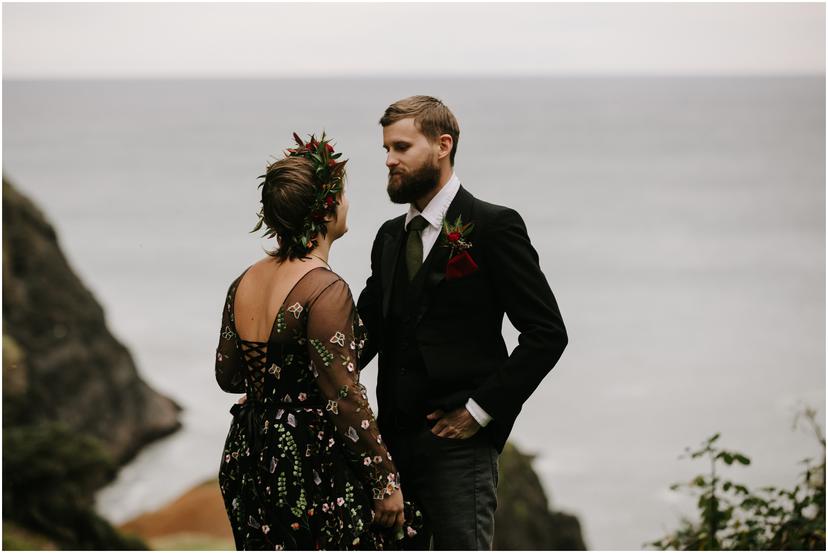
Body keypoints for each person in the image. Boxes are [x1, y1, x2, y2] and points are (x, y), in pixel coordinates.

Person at [357, 96, 568, 550]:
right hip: (391, 449)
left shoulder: (493, 226)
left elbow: (547, 333)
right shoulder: (390, 237)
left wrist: (479, 412)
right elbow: (365, 333)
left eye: (401, 147)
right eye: (386, 150)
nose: (389, 161)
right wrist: (296, 378)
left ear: (442, 145)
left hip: (460, 451)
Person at [215, 133, 421, 550]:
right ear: (326, 209)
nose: (347, 202)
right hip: (308, 459)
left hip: (249, 452)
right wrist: (385, 483)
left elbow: (229, 376)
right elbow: (343, 395)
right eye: (342, 194)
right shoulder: (325, 290)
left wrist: (271, 393)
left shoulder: (244, 281)